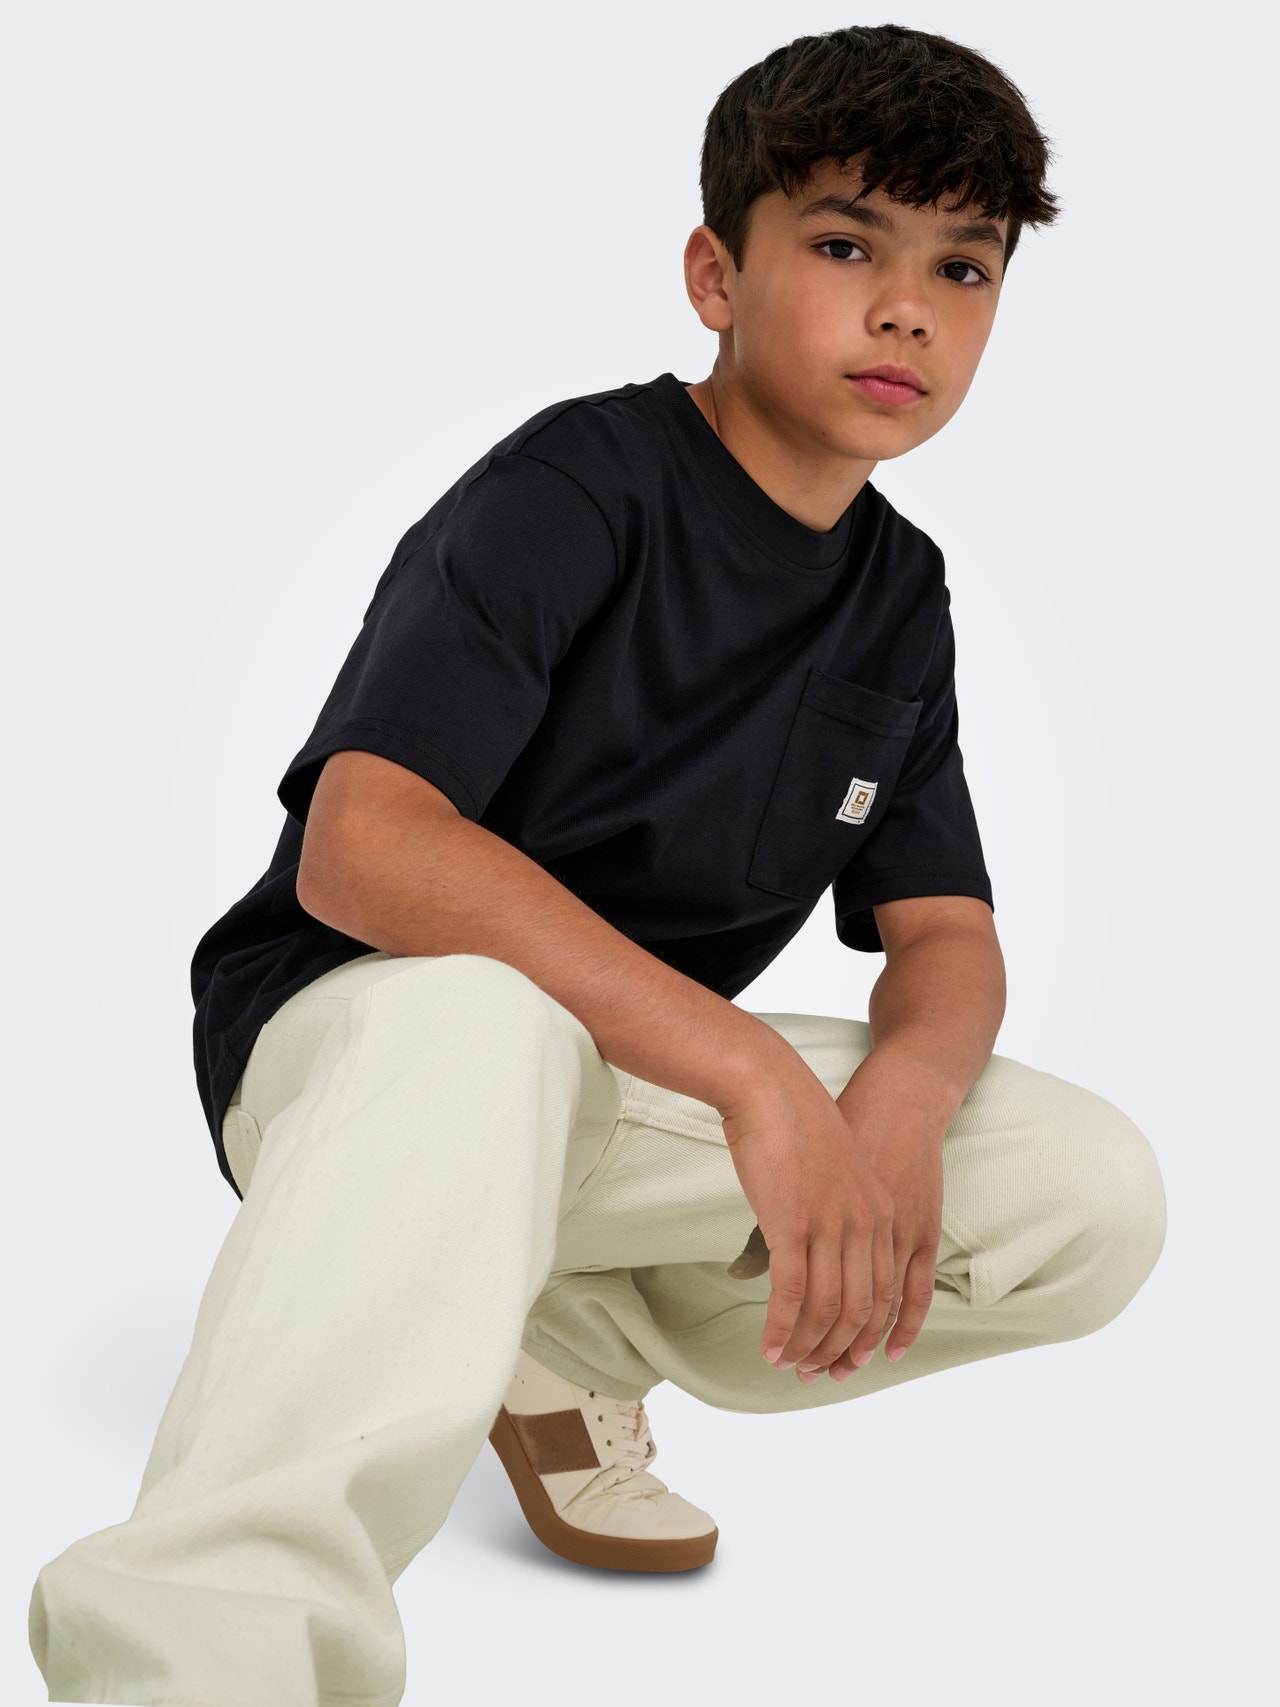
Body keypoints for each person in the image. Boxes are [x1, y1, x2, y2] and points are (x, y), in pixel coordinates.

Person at [29, 21, 1167, 1706]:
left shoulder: (900, 593)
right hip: (366, 1045)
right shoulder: (579, 484)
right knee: (485, 1024)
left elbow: (943, 929)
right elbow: (364, 847)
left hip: (620, 1088)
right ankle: (204, 1656)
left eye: (964, 267)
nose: (907, 309)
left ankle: (545, 1331)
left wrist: (899, 1107)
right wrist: (758, 1082)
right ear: (716, 274)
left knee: (1086, 1192)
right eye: (844, 246)